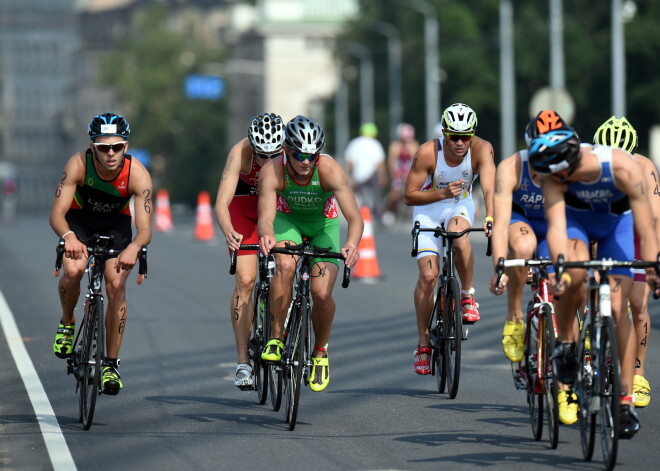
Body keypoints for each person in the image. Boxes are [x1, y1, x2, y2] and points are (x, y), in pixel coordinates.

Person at [528, 127, 660, 438]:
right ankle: (565, 347)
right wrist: (560, 267)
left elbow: (646, 222)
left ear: (570, 161)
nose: (552, 177)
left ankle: (625, 398)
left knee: (618, 305)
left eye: (557, 172)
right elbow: (557, 227)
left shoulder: (621, 166)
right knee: (573, 276)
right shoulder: (553, 177)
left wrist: (653, 266)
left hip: (618, 226)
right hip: (578, 226)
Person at [258, 115, 363, 392]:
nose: (305, 161)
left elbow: (355, 218)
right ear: (286, 151)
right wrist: (267, 235)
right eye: (299, 155)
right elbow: (266, 218)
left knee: (321, 293)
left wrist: (352, 244)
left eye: (311, 155)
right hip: (287, 221)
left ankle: (319, 352)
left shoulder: (329, 169)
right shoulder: (272, 170)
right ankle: (277, 337)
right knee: (284, 266)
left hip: (322, 227)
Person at [49, 112, 153, 395]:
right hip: (80, 220)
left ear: (126, 147)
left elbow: (144, 229)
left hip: (116, 225)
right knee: (73, 270)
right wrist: (68, 237)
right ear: (92, 146)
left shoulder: (138, 175)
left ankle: (110, 364)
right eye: (103, 147)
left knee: (116, 283)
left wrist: (133, 248)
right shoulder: (78, 165)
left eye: (116, 147)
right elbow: (57, 215)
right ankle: (68, 323)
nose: (110, 153)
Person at [489, 110, 581, 424]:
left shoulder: (572, 163)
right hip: (523, 221)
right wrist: (500, 266)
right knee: (523, 247)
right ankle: (515, 315)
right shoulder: (512, 167)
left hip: (558, 224)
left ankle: (568, 381)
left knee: (568, 286)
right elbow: (500, 225)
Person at [404, 102, 495, 375]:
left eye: (465, 136)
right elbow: (409, 196)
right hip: (429, 209)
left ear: (473, 135)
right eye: (453, 136)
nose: (459, 142)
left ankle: (467, 295)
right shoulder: (427, 153)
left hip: (460, 206)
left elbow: (490, 187)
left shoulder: (482, 149)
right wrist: (442, 193)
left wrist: (490, 217)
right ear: (444, 133)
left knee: (458, 237)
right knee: (429, 277)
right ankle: (423, 343)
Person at [214, 113, 285, 390]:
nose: (268, 161)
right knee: (245, 280)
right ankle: (243, 361)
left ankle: (282, 331)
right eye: (262, 155)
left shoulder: (291, 153)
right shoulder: (240, 153)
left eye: (274, 155)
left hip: (278, 210)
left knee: (287, 267)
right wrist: (228, 231)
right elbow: (222, 203)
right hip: (244, 210)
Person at [593, 115, 660, 408]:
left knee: (638, 304)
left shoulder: (645, 168)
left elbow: (655, 218)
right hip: (600, 227)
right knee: (584, 279)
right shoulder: (587, 164)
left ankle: (638, 374)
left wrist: (654, 260)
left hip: (633, 232)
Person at [344, 122, 387, 223]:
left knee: (361, 195)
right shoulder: (375, 144)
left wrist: (351, 175)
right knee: (376, 195)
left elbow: (350, 162)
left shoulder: (354, 143)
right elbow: (379, 163)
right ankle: (379, 216)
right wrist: (383, 176)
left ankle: (362, 215)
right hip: (372, 173)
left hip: (359, 175)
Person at [383, 123, 420, 226]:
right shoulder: (395, 145)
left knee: (413, 193)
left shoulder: (414, 145)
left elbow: (416, 159)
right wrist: (393, 173)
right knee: (395, 193)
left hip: (410, 172)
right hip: (399, 173)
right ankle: (390, 211)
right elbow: (391, 161)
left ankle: (412, 213)